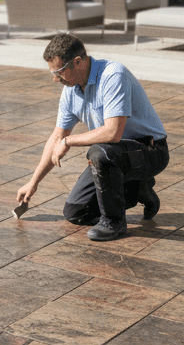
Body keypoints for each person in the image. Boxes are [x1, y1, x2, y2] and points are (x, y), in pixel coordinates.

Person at [16, 34, 169, 241]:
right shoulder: (71, 90)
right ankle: (137, 189)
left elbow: (112, 133)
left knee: (98, 152)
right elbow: (57, 136)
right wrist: (33, 182)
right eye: (52, 73)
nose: (55, 79)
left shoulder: (114, 75)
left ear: (77, 62)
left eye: (59, 72)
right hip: (112, 154)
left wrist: (69, 141)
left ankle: (114, 223)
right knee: (76, 212)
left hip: (150, 151)